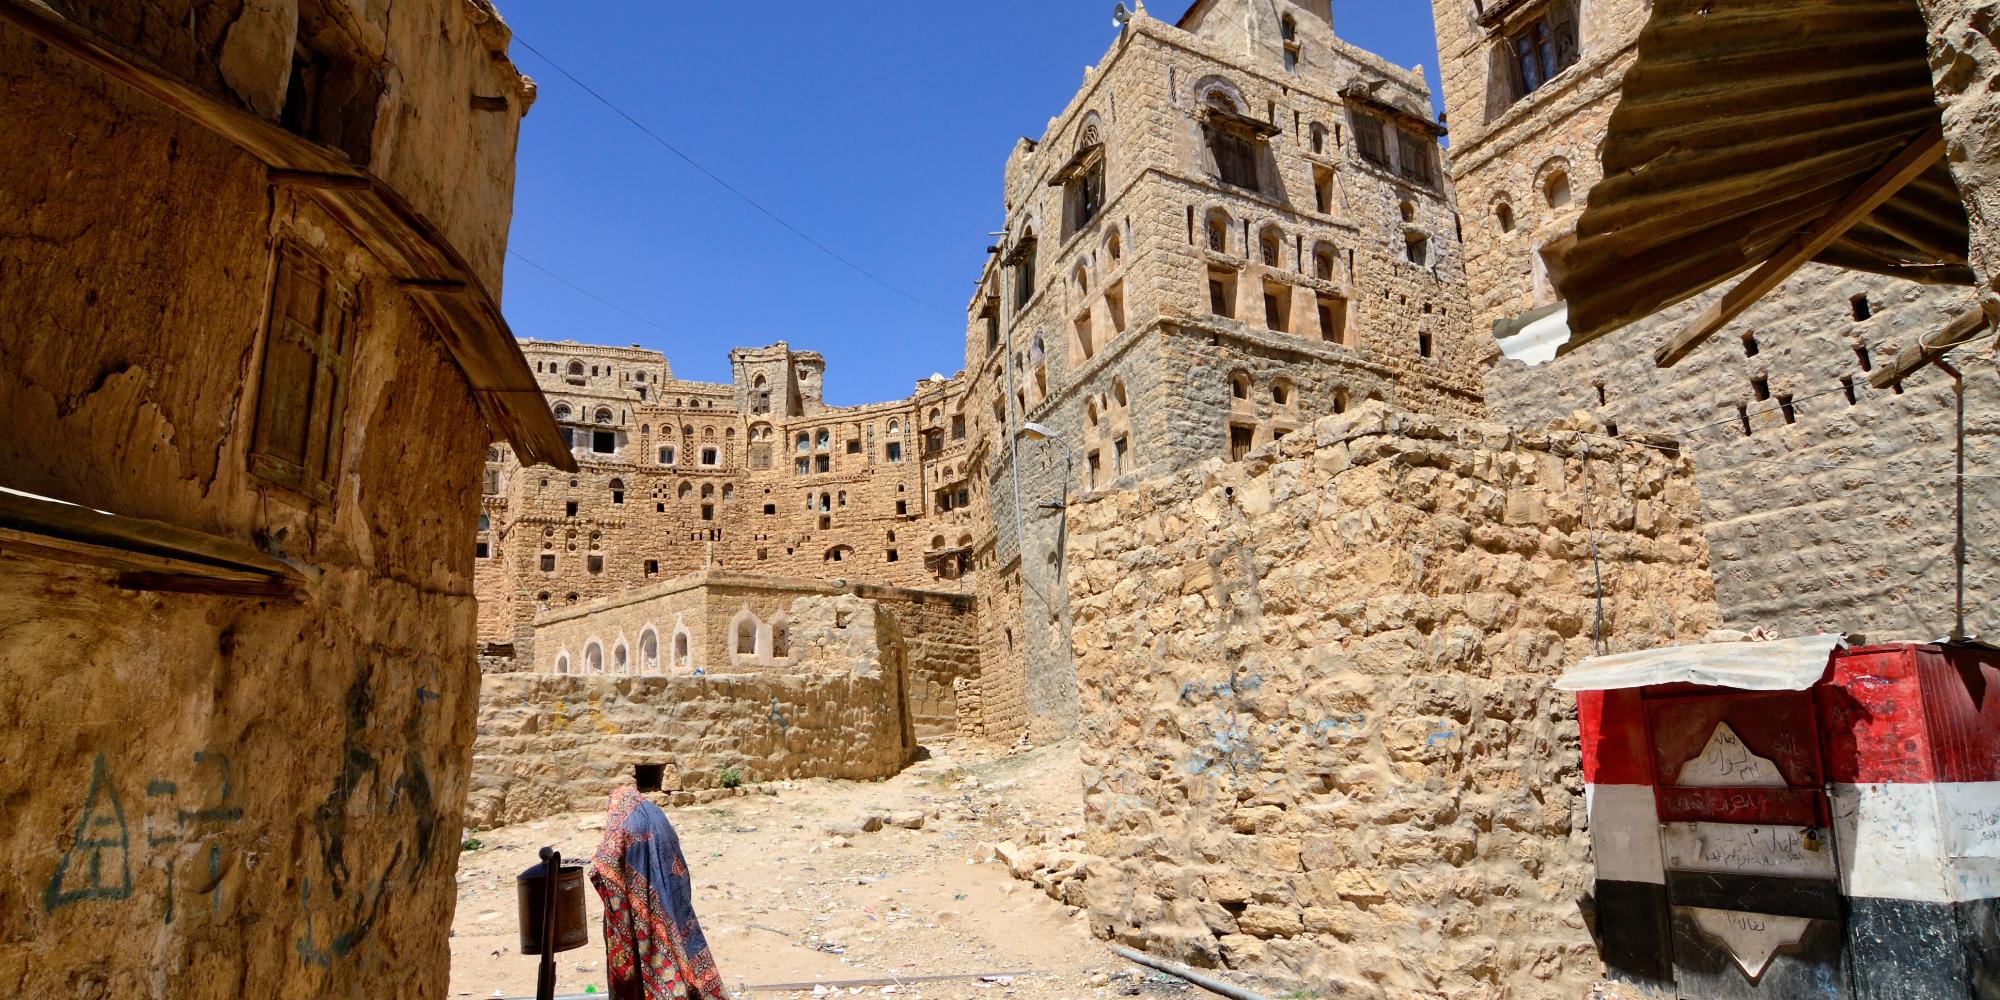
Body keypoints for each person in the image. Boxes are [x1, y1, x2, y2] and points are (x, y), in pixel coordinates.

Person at [588, 787, 726, 1000]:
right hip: (673, 896)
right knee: (683, 946)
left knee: (648, 955)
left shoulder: (622, 823)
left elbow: (604, 863)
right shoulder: (657, 813)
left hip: (641, 907)